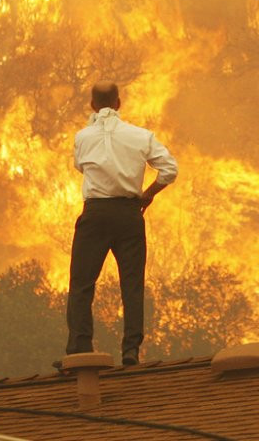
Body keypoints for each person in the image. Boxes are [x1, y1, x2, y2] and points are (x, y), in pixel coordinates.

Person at [64, 81, 177, 366]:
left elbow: (81, 166)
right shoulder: (141, 136)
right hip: (129, 214)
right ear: (119, 103)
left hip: (96, 214)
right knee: (132, 285)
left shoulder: (82, 137)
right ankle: (130, 351)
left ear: (92, 105)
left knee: (81, 284)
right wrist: (148, 194)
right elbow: (169, 169)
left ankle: (79, 350)